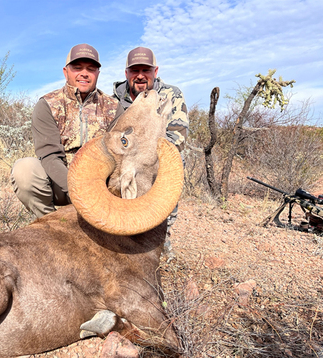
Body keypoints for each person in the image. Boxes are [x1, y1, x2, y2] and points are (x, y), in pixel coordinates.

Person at [11, 44, 121, 218]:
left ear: (98, 73)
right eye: (77, 67)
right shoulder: (47, 104)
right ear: (66, 71)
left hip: (102, 186)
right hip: (61, 184)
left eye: (91, 68)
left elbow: (119, 155)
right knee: (25, 170)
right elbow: (49, 155)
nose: (84, 73)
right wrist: (78, 192)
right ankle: (51, 225)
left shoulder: (114, 108)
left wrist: (101, 190)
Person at [113, 46, 189, 240]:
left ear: (155, 71)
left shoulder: (171, 95)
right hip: (125, 158)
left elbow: (177, 137)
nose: (140, 76)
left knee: (174, 160)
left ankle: (162, 233)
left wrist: (145, 154)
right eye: (134, 70)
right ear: (126, 73)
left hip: (153, 157)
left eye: (145, 70)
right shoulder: (115, 99)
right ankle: (119, 227)